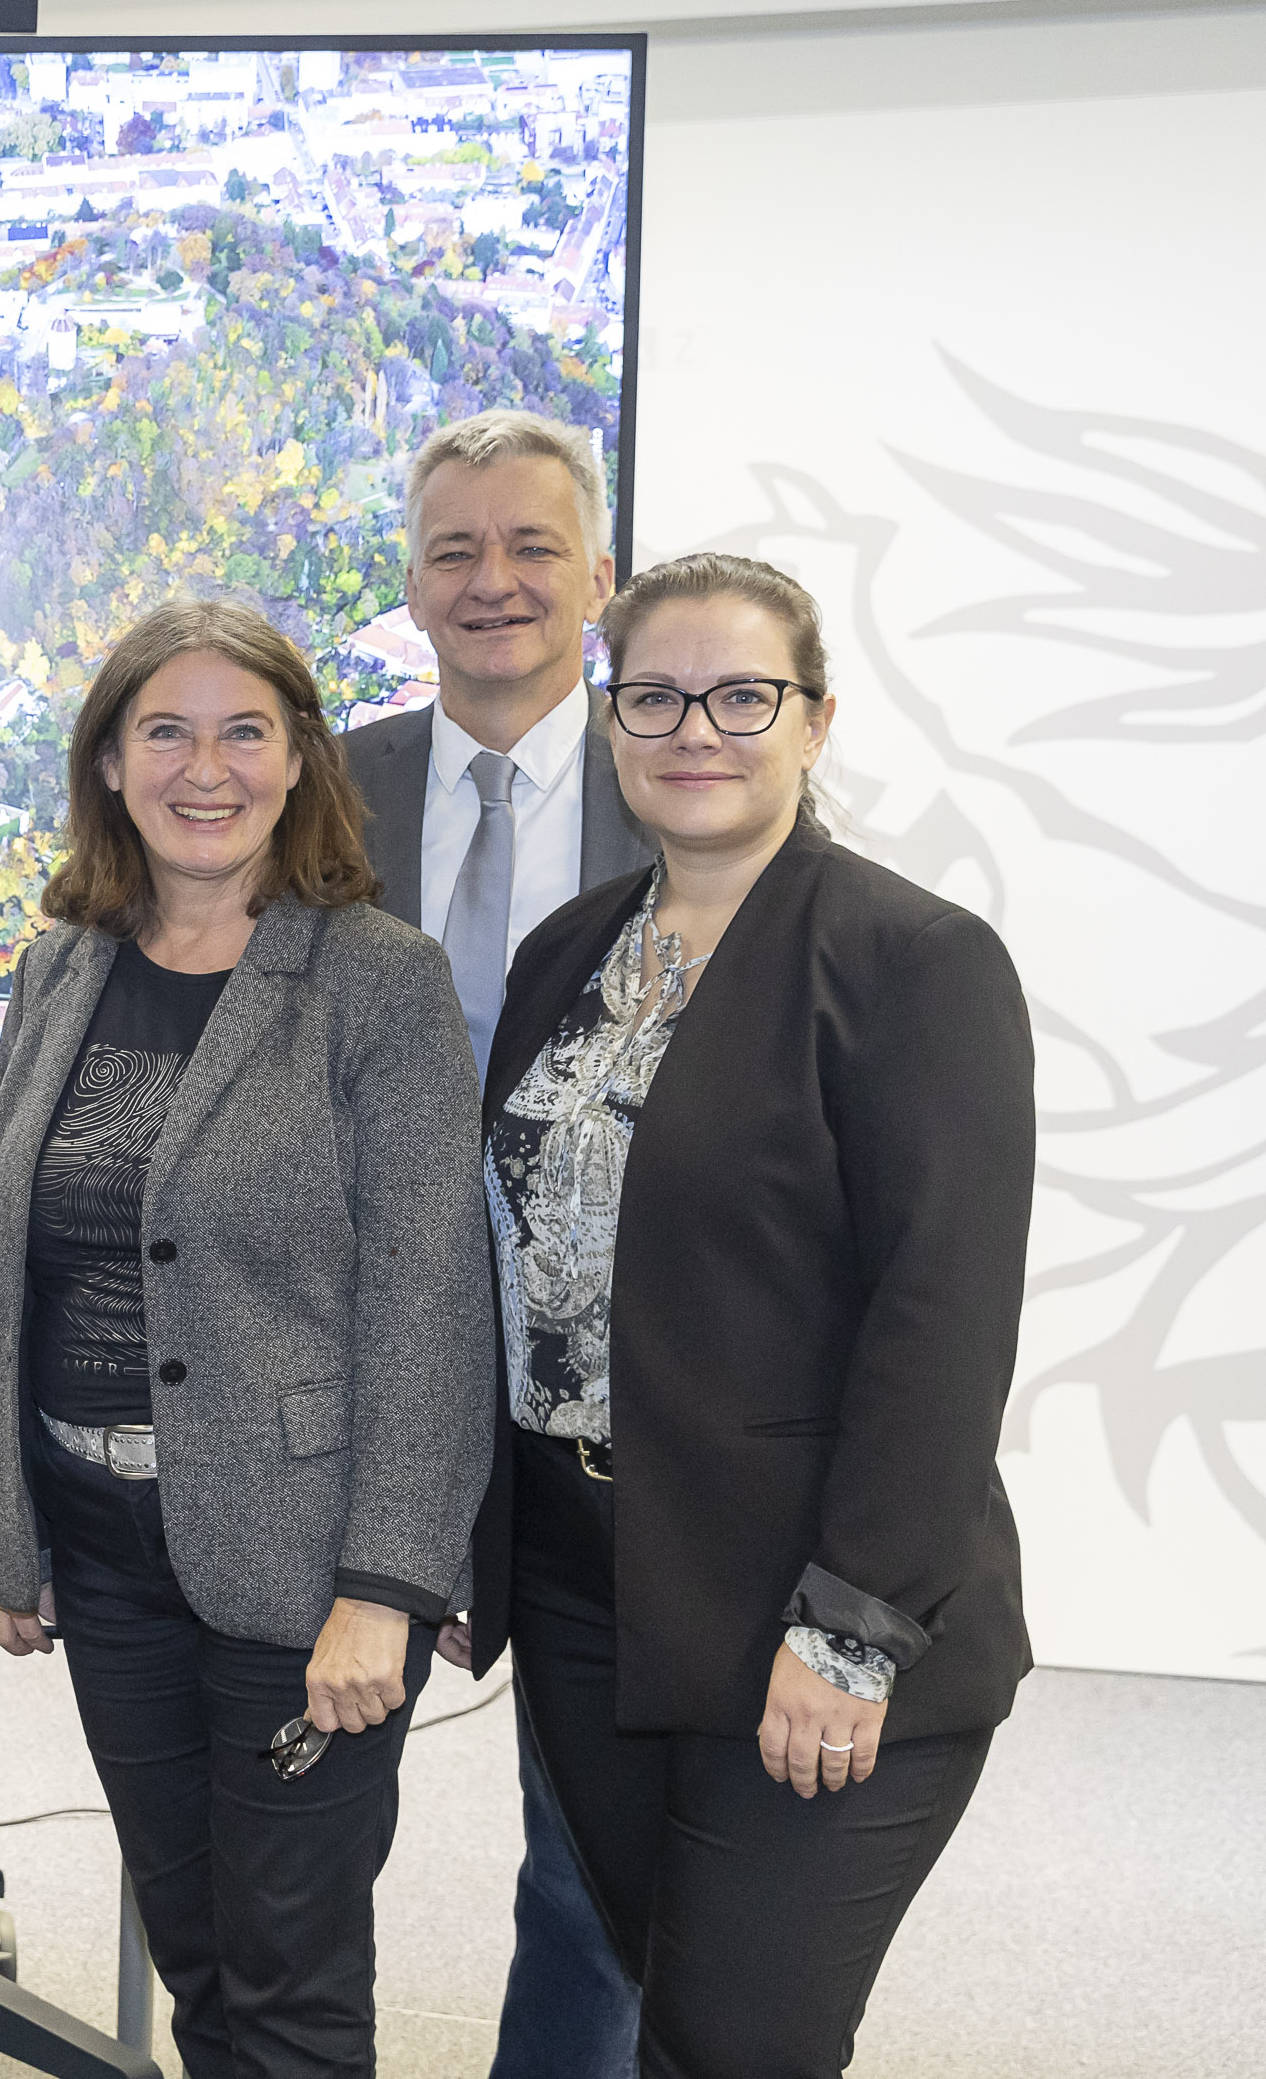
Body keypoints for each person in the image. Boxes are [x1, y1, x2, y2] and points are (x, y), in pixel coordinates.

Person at [467, 553, 1035, 2075]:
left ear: (817, 719)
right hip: (592, 1591)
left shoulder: (913, 962)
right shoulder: (569, 953)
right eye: (652, 694)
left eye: (742, 695)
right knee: (665, 1994)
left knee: (735, 2042)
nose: (694, 728)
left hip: (809, 1592)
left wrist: (849, 1629)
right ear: (608, 718)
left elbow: (946, 1320)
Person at [0, 598, 494, 2079]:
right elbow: (28, 1262)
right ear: (112, 763)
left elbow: (431, 1294)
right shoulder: (58, 966)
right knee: (197, 1955)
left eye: (244, 729)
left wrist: (386, 1584)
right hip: (102, 1542)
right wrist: (8, 1515)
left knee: (288, 1979)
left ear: (297, 757)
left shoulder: (374, 979)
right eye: (167, 730)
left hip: (300, 1560)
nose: (208, 766)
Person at [342, 407, 650, 2079]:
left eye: (533, 544)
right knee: (303, 1836)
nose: (494, 581)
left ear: (598, 572)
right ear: (410, 581)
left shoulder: (677, 774)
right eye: (454, 549)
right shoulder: (334, 783)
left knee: (591, 1864)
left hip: (598, 1404)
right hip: (362, 1374)